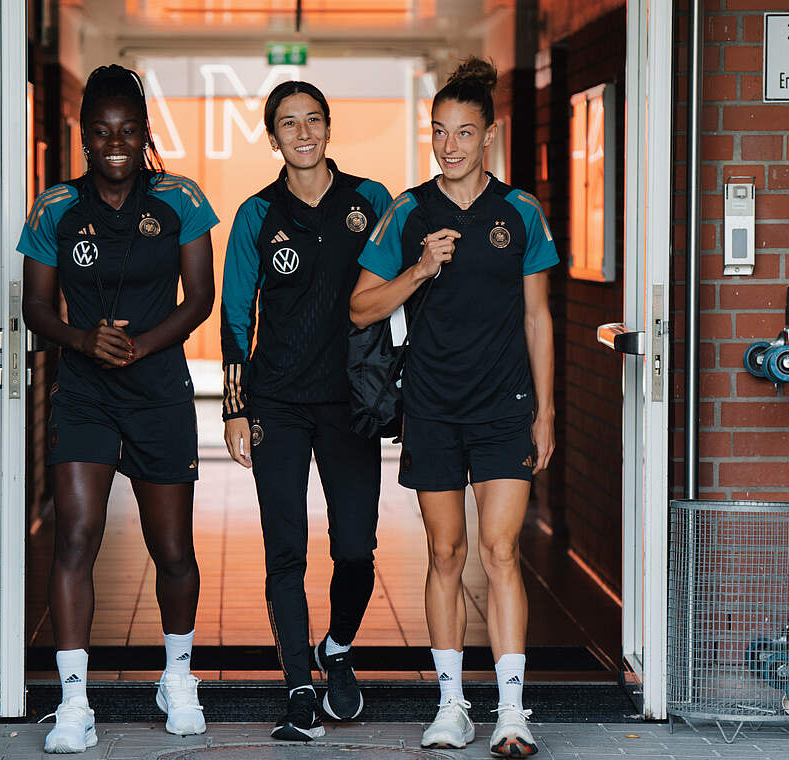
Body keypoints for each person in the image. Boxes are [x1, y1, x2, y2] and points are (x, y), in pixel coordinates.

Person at [349, 57, 558, 758]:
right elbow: (358, 309)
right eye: (439, 132)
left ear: (489, 137)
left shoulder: (520, 211)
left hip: (504, 407)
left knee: (500, 552)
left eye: (463, 133)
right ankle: (451, 705)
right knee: (445, 553)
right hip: (433, 408)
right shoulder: (408, 212)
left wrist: (547, 413)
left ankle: (510, 712)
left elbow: (538, 319)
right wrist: (420, 268)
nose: (449, 146)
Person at [18, 64, 218, 753]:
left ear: (145, 134)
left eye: (128, 131)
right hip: (84, 391)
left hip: (158, 388)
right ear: (83, 136)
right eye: (101, 132)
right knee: (76, 534)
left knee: (172, 549)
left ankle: (179, 679)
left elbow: (199, 299)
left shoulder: (180, 200)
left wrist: (139, 347)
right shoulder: (54, 208)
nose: (115, 144)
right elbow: (34, 306)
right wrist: (83, 340)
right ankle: (75, 704)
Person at [220, 81, 392, 742]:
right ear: (273, 137)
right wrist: (236, 409)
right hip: (278, 402)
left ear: (328, 128)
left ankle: (337, 650)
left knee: (355, 548)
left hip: (351, 402)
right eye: (288, 123)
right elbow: (236, 317)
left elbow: (399, 291)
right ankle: (298, 685)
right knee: (284, 547)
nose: (302, 133)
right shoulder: (256, 215)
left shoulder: (370, 200)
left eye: (312, 120)